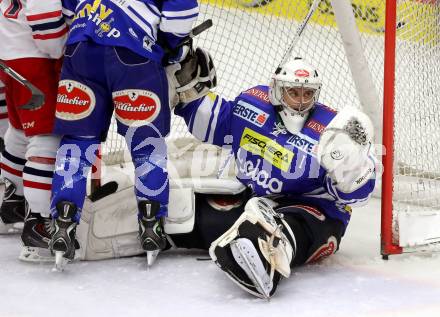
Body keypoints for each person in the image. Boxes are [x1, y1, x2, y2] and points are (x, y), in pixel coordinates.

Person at [165, 56, 377, 298]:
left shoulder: (331, 128)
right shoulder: (251, 104)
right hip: (260, 200)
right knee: (188, 219)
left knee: (290, 228)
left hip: (315, 212)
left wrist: (350, 170)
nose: (300, 102)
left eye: (307, 94)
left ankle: (268, 249)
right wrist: (188, 90)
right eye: (293, 92)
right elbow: (215, 123)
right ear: (277, 90)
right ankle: (153, 229)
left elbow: (358, 193)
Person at [49, 0, 200, 269]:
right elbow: (180, 14)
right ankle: (151, 220)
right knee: (146, 144)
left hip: (81, 48)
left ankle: (63, 219)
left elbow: (68, 11)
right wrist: (167, 46)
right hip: (133, 53)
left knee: (78, 140)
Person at [0, 0, 67, 261]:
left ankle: (13, 197)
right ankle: (39, 221)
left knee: (19, 130)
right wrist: (62, 50)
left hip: (11, 52)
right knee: (46, 136)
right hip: (34, 59)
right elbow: (47, 18)